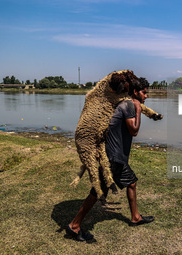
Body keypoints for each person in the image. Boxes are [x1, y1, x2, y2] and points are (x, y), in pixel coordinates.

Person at [66, 77, 154, 242]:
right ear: (135, 92)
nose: (146, 96)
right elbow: (134, 130)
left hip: (115, 156)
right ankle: (74, 225)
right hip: (113, 158)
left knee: (132, 183)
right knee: (97, 192)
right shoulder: (129, 105)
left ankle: (135, 217)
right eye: (144, 93)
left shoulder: (121, 104)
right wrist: (138, 110)